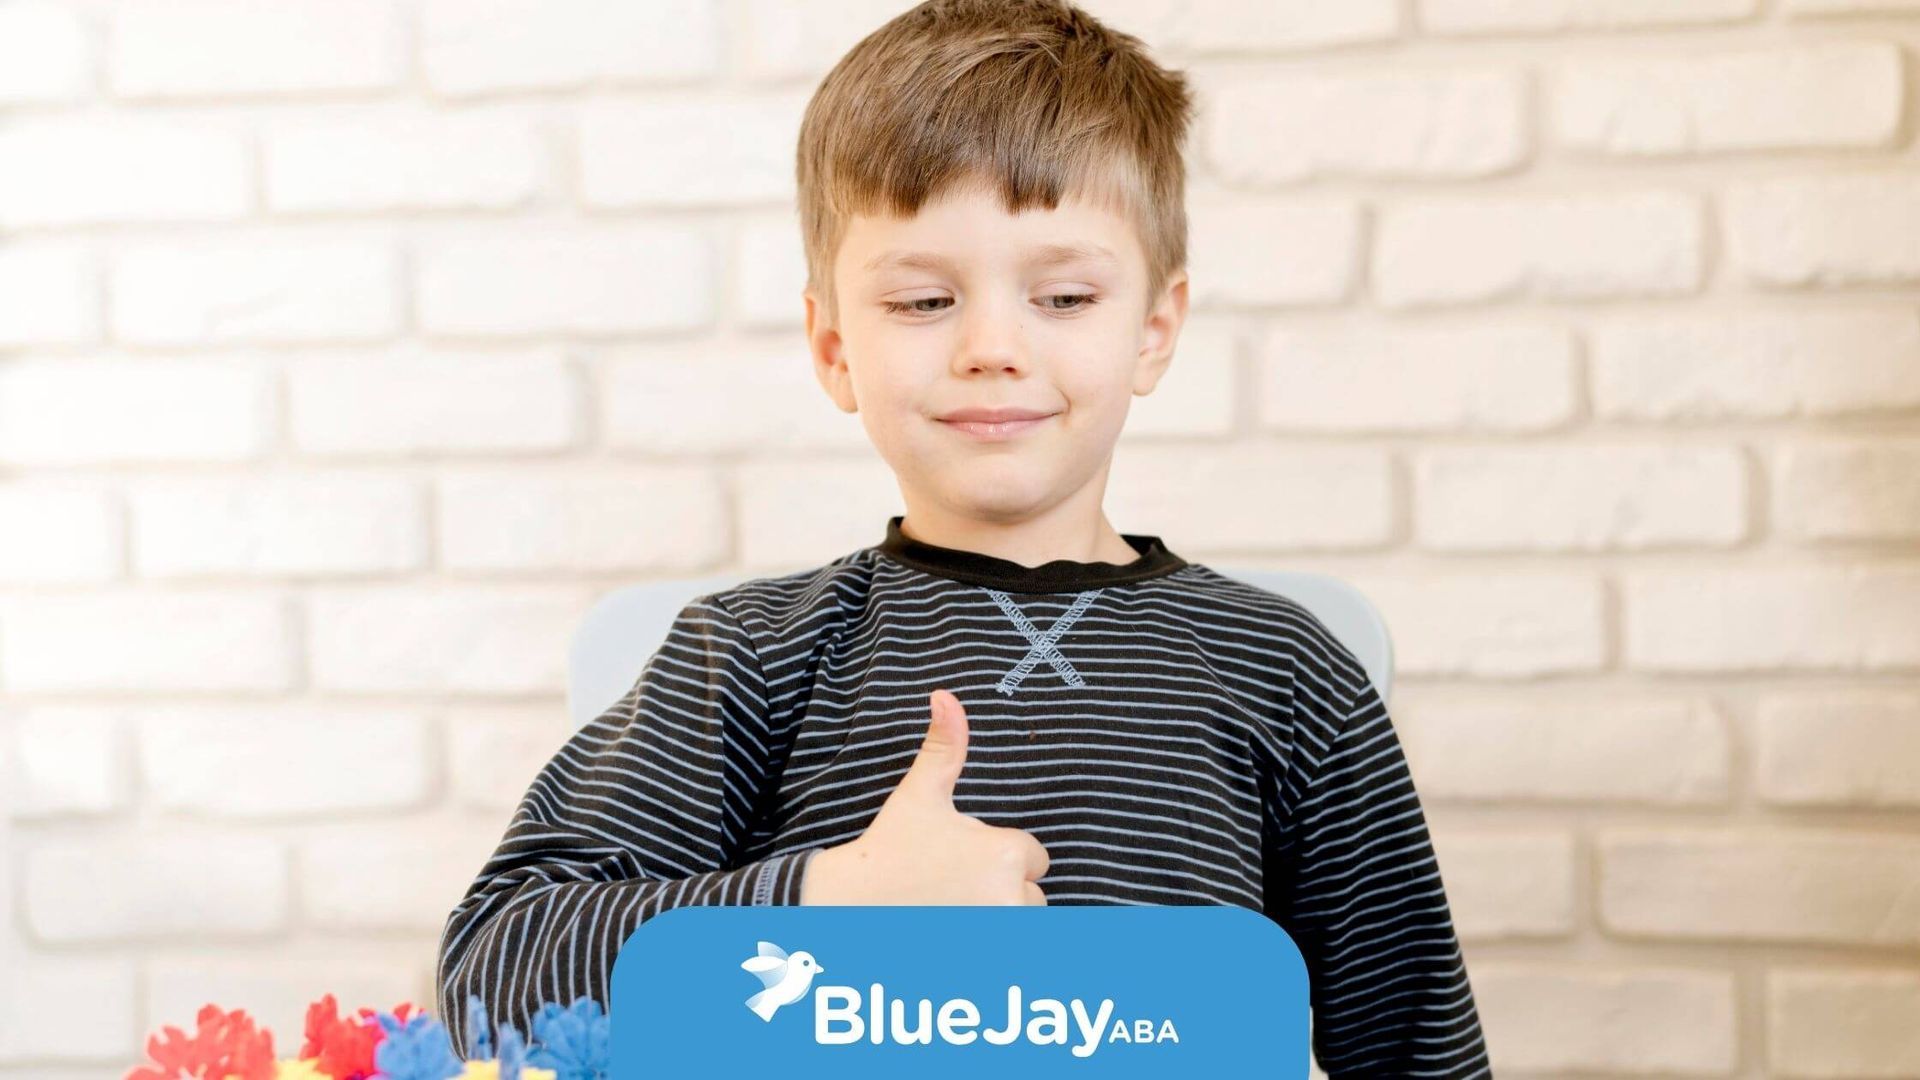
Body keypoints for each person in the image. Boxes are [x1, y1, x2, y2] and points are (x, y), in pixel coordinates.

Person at [436, 1, 1491, 1073]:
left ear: (1153, 331)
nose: (994, 345)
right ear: (835, 347)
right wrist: (832, 899)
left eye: (1065, 295)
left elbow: (1414, 1048)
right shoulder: (747, 656)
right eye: (927, 299)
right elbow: (495, 972)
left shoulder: (1286, 672)